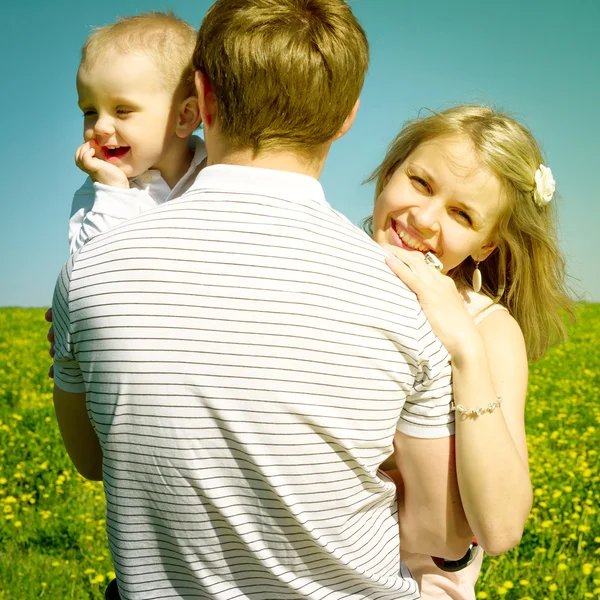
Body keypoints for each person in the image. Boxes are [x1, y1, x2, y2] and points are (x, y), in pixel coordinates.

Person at [51, 1, 476, 598]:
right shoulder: (410, 295)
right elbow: (436, 534)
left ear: (203, 95)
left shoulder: (90, 268)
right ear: (347, 116)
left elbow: (92, 461)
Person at [366, 105, 574, 599]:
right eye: (420, 182)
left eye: (462, 214)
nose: (424, 218)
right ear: (392, 169)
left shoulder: (490, 330)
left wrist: (464, 349)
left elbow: (500, 528)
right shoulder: (321, 270)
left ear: (486, 245)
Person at [69, 11, 206, 255]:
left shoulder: (215, 171)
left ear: (184, 117)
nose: (99, 126)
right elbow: (86, 267)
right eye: (89, 111)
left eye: (122, 110)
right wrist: (114, 191)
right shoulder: (100, 191)